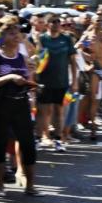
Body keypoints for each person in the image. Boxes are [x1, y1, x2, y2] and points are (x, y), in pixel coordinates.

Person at [0, 17, 41, 196]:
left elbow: (27, 80)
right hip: (0, 105)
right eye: (11, 33)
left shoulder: (22, 57)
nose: (16, 35)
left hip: (21, 104)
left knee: (28, 144)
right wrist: (9, 78)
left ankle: (30, 186)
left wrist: (31, 75)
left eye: (17, 32)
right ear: (2, 37)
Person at [35, 14, 78, 152]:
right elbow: (38, 57)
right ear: (47, 24)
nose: (56, 24)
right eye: (53, 21)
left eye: (58, 21)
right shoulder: (42, 38)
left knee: (59, 111)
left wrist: (74, 81)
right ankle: (38, 138)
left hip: (61, 81)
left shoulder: (66, 39)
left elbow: (73, 61)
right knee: (42, 111)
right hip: (44, 81)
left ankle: (58, 140)